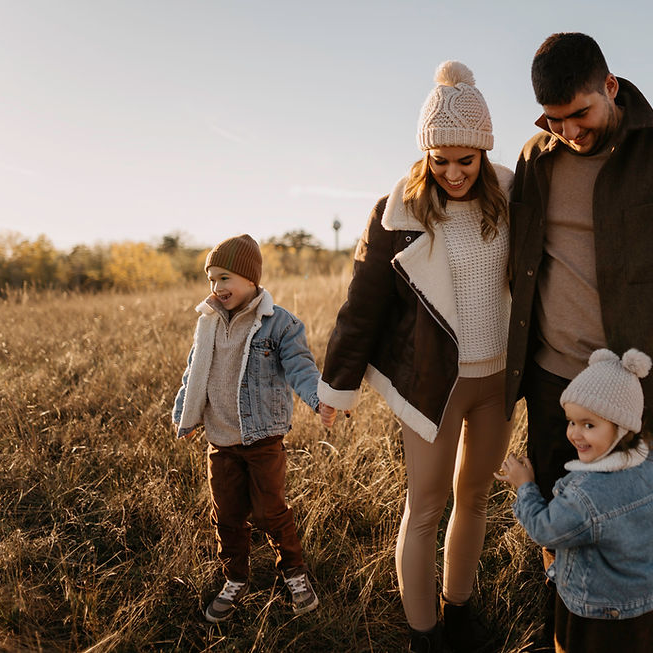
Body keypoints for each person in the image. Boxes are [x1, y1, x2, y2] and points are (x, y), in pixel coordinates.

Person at [504, 32, 653, 649]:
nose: (570, 132)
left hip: (646, 390)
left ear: (611, 87)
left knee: (651, 542)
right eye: (554, 121)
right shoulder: (537, 160)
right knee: (562, 539)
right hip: (555, 386)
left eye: (580, 114)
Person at [318, 61, 514, 653]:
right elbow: (363, 307)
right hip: (434, 384)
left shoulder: (510, 196)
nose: (453, 173)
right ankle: (423, 633)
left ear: (483, 152)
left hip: (497, 381)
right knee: (427, 505)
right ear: (425, 154)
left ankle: (459, 610)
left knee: (475, 497)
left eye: (466, 159)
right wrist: (336, 387)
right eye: (440, 160)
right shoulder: (397, 214)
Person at [495, 349, 653, 653]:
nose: (574, 434)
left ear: (622, 425)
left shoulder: (583, 493)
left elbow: (546, 530)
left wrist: (525, 487)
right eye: (571, 421)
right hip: (648, 607)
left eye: (589, 425)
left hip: (593, 616)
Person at [172, 234, 336, 623]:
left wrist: (319, 399)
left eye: (225, 278)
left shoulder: (278, 324)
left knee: (269, 511)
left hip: (263, 439)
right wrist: (185, 413)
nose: (217, 287)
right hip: (221, 440)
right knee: (227, 514)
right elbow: (193, 373)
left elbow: (300, 367)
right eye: (212, 279)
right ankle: (235, 578)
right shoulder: (208, 322)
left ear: (251, 279)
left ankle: (294, 572)